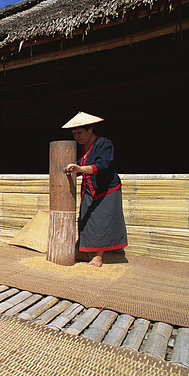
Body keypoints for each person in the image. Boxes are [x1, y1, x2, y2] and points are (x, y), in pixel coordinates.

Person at [63, 112, 128, 267]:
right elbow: (81, 164)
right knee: (84, 218)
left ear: (90, 130)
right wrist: (75, 168)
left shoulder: (104, 144)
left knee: (100, 220)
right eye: (74, 134)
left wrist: (80, 168)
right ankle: (84, 251)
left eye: (79, 133)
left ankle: (97, 257)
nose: (76, 137)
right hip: (90, 188)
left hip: (106, 189)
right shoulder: (85, 148)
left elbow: (103, 165)